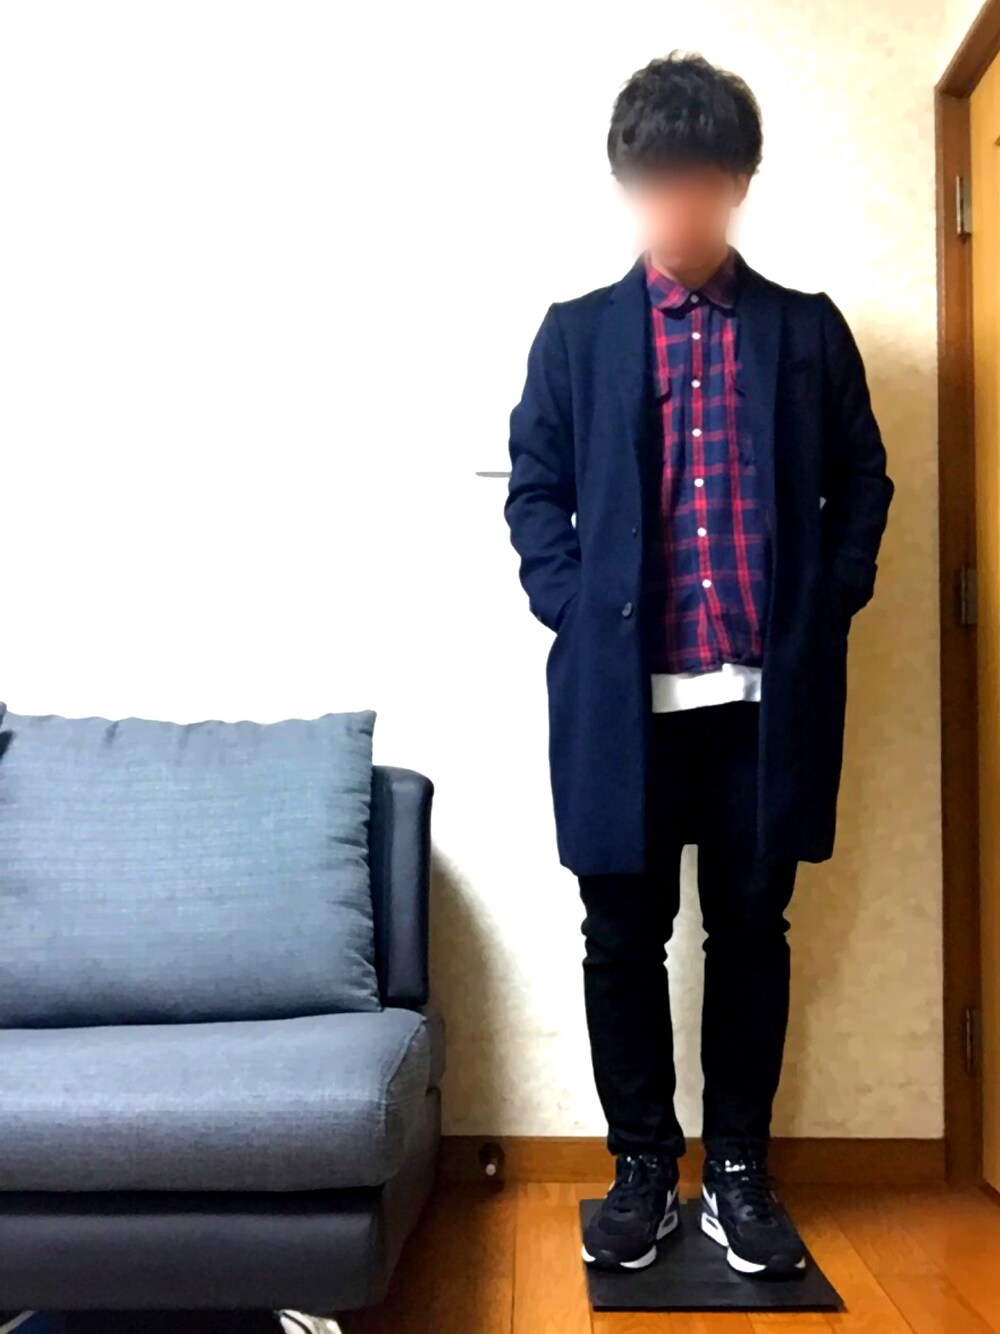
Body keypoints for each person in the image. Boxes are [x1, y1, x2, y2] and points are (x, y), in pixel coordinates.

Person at [503, 50, 894, 1278]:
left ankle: (735, 1167)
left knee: (751, 930)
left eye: (699, 181)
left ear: (736, 183)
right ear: (627, 185)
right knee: (619, 938)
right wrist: (573, 608)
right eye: (654, 183)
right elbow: (535, 493)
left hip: (763, 703)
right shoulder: (576, 337)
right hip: (622, 703)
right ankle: (639, 1167)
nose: (676, 206)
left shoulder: (802, 330)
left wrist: (826, 599)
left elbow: (863, 481)